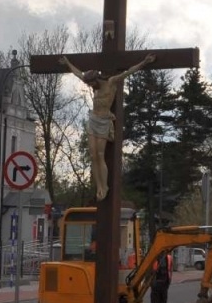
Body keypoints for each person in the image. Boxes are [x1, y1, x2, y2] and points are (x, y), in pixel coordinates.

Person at [62, 54, 156, 200]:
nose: (91, 87)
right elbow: (78, 73)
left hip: (104, 121)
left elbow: (128, 72)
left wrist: (144, 62)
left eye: (91, 84)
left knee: (100, 154)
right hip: (93, 119)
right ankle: (99, 185)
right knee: (92, 155)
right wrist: (67, 62)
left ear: (96, 79)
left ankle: (104, 186)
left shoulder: (111, 83)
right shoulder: (94, 85)